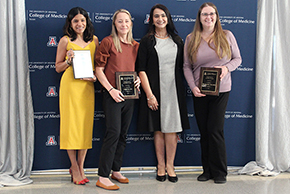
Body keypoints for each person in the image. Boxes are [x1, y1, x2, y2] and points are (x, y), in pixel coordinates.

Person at [183, 2, 242, 184]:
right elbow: (186, 66)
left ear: (216, 16)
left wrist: (225, 69)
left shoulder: (226, 35)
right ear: (199, 18)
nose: (208, 17)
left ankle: (220, 172)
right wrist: (193, 86)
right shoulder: (191, 38)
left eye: (212, 14)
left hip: (221, 90)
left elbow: (237, 59)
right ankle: (207, 170)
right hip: (200, 91)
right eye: (204, 14)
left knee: (215, 129)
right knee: (204, 131)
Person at [136, 4, 190, 183]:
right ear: (151, 20)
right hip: (155, 91)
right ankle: (160, 166)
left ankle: (170, 166)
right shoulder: (146, 41)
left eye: (163, 16)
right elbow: (141, 70)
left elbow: (185, 66)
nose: (160, 19)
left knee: (172, 129)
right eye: (156, 16)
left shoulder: (177, 40)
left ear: (168, 18)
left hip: (174, 91)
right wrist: (150, 95)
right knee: (158, 129)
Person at [94, 9, 140, 190]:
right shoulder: (107, 42)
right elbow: (99, 70)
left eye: (126, 21)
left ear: (131, 24)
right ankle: (102, 176)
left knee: (123, 134)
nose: (124, 25)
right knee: (113, 132)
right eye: (120, 21)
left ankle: (116, 169)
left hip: (130, 95)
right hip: (112, 94)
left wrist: (137, 79)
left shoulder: (136, 46)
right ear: (115, 24)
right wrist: (111, 89)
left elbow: (136, 68)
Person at [55, 7, 99, 185]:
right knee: (71, 126)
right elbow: (58, 67)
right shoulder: (65, 41)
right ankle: (74, 167)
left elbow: (98, 67)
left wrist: (95, 76)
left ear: (87, 22)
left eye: (82, 20)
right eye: (75, 21)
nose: (80, 24)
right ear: (70, 24)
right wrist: (68, 61)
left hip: (87, 87)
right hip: (70, 87)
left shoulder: (95, 40)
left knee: (84, 127)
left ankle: (81, 167)